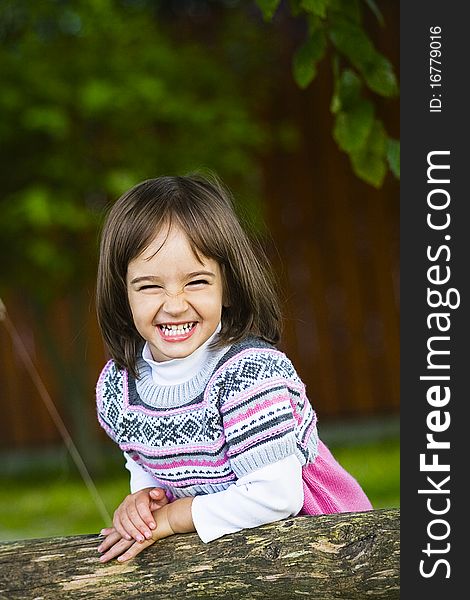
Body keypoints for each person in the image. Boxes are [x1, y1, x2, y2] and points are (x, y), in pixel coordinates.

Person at [95, 174, 372, 563]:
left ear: (228, 287)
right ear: (122, 295)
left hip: (326, 548)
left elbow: (276, 497)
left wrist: (172, 517)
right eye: (149, 286)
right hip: (228, 556)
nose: (174, 304)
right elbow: (142, 456)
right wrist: (145, 499)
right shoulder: (121, 387)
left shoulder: (247, 374)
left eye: (196, 281)